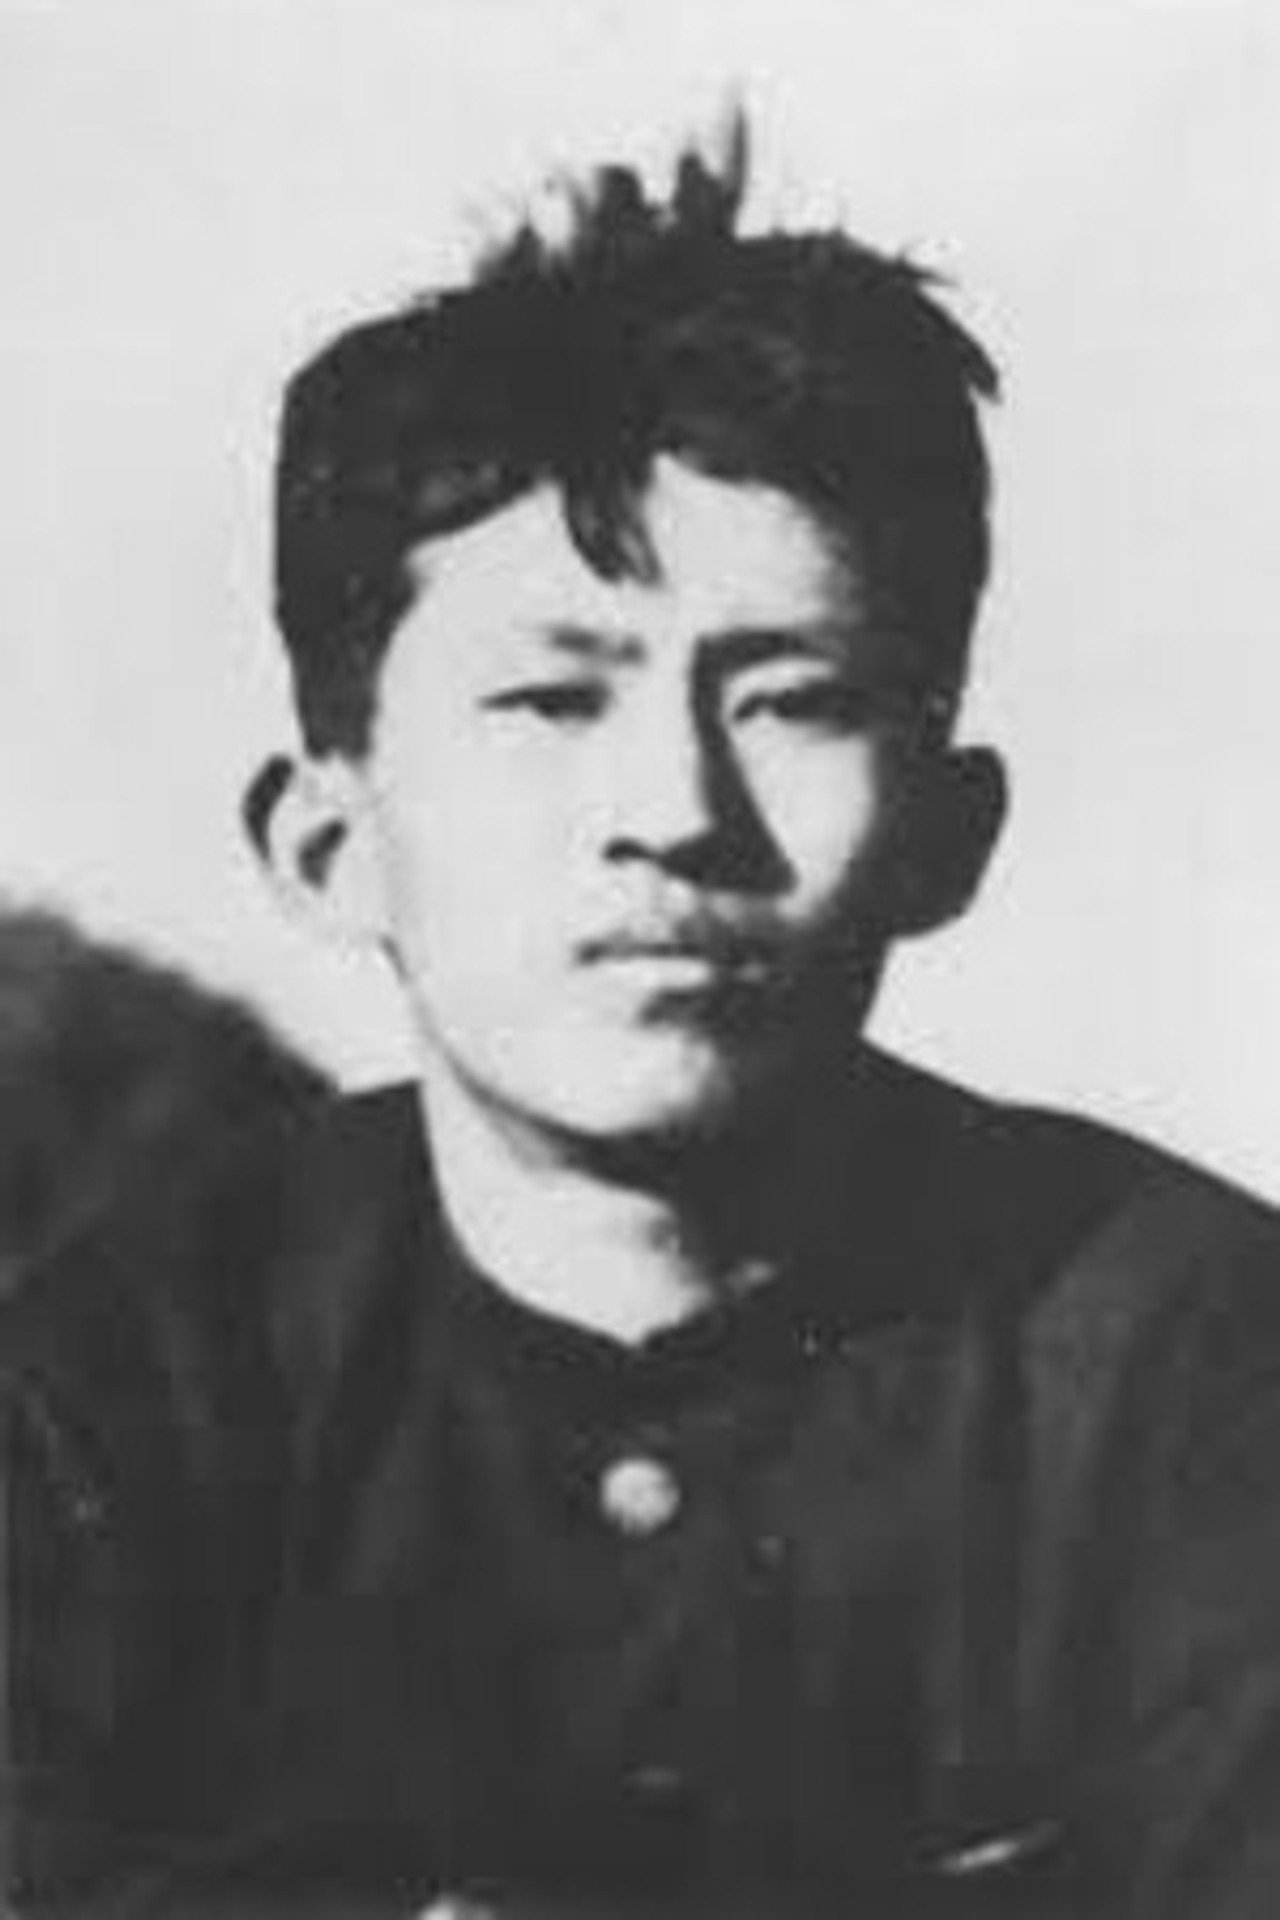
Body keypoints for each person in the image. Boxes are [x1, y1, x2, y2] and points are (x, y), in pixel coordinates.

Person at [8, 117, 1280, 1919]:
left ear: (947, 831)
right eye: (549, 700)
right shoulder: (105, 1400)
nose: (672, 811)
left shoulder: (1199, 1370)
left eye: (792, 699)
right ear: (329, 841)